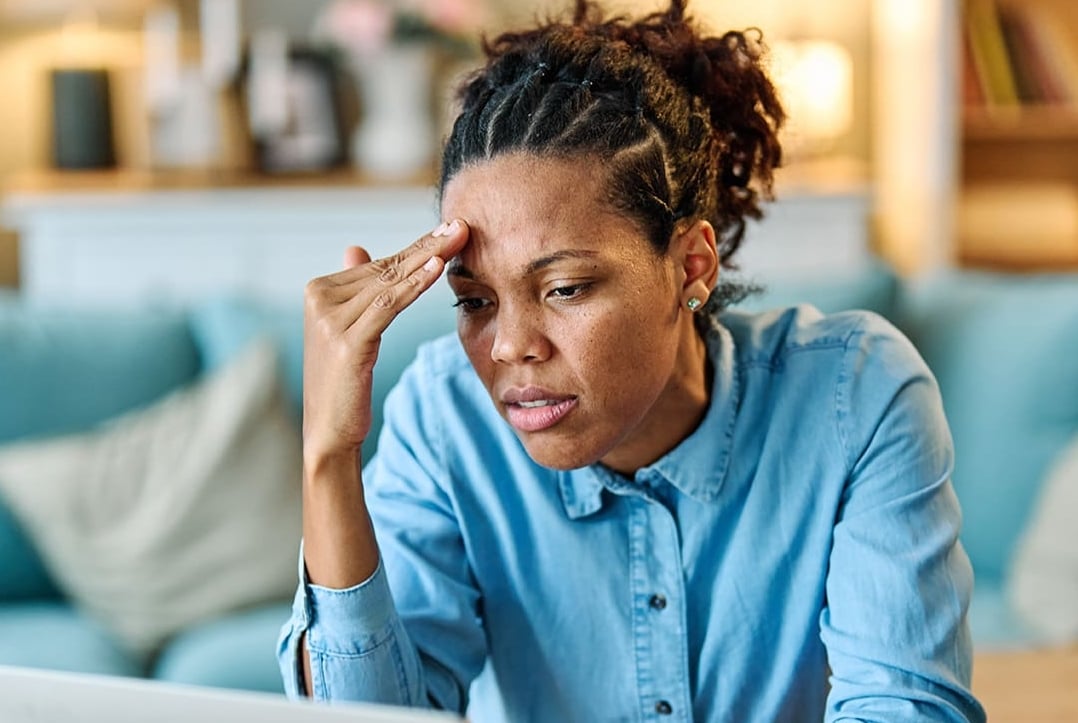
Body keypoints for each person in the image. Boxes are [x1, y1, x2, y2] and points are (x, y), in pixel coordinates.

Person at [279, 1, 986, 720]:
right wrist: (328, 457)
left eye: (564, 288)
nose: (509, 346)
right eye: (476, 301)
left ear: (691, 263)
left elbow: (904, 707)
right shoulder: (441, 417)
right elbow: (372, 714)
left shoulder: (853, 394)